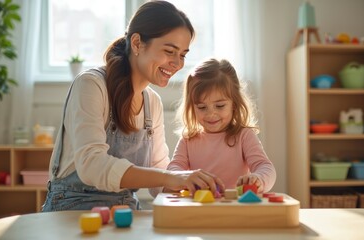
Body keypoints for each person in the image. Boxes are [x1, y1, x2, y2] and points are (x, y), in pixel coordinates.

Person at [42, 1, 224, 212]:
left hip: (125, 210)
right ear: (137, 43)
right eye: (169, 51)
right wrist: (175, 177)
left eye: (182, 54)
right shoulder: (91, 85)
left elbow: (158, 172)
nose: (177, 63)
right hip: (73, 208)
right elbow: (91, 165)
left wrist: (194, 184)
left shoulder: (152, 102)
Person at [166, 58, 276, 193]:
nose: (211, 114)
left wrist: (258, 179)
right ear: (192, 107)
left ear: (234, 104)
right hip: (199, 207)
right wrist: (184, 178)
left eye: (219, 106)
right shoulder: (188, 139)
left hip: (236, 207)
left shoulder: (244, 135)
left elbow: (265, 166)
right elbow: (173, 169)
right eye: (202, 107)